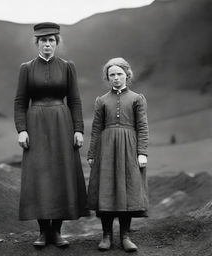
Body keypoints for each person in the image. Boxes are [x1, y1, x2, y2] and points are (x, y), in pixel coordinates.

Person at [14, 22, 89, 248]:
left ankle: (56, 232)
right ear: (37, 43)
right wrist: (22, 130)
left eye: (52, 40)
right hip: (35, 124)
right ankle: (42, 231)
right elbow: (20, 102)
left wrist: (78, 129)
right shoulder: (26, 68)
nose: (48, 44)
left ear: (57, 43)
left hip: (61, 124)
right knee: (39, 176)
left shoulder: (67, 67)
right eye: (43, 40)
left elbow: (75, 101)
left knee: (60, 176)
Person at [87, 57, 149, 252]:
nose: (115, 78)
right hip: (106, 150)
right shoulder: (102, 100)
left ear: (127, 75)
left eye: (119, 74)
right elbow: (96, 129)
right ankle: (106, 236)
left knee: (127, 190)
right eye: (111, 74)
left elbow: (143, 127)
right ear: (107, 77)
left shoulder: (137, 99)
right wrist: (91, 154)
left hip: (129, 148)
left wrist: (142, 152)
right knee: (105, 190)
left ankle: (125, 236)